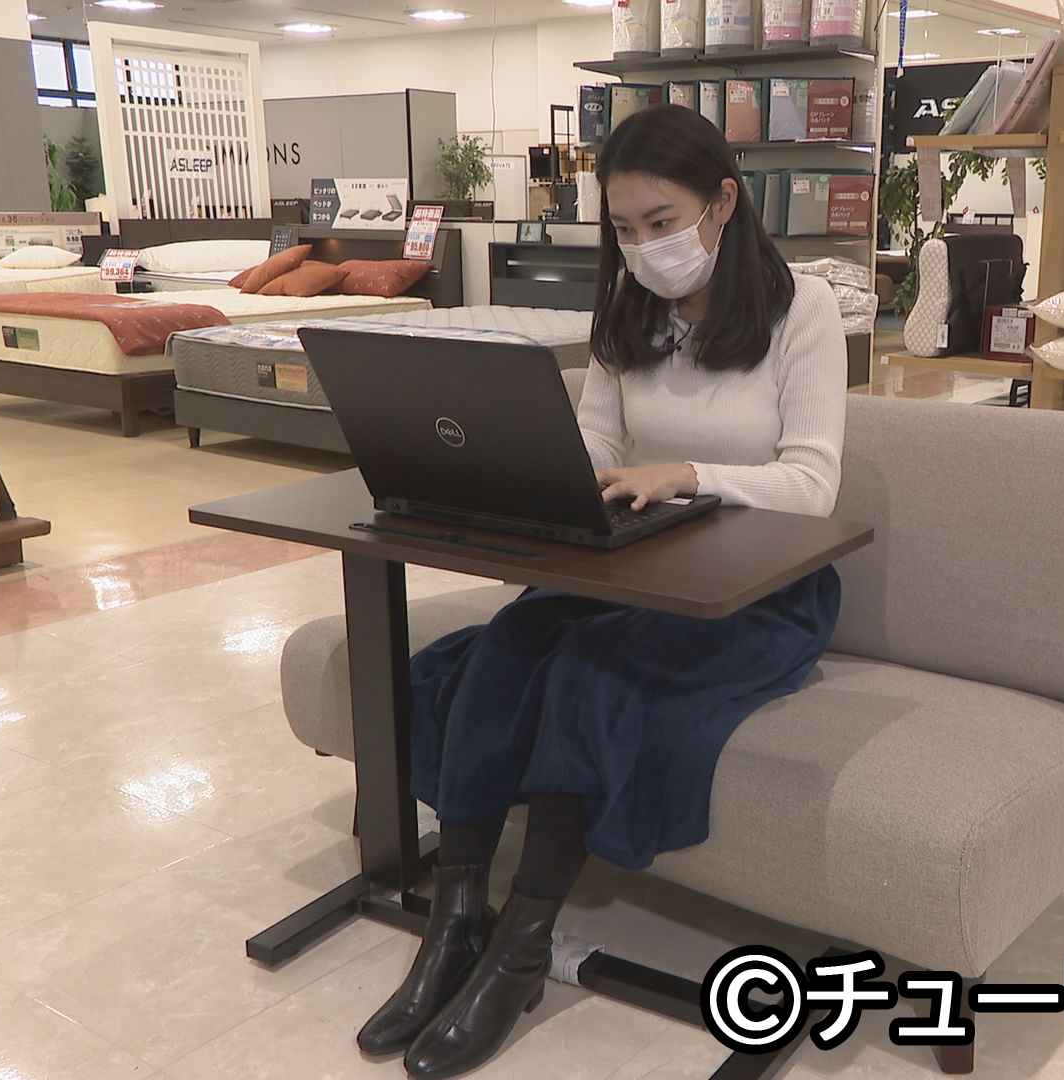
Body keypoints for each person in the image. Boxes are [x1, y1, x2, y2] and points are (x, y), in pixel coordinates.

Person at [358, 103, 849, 1078]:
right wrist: (546, 471)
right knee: (505, 649)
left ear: (724, 203)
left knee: (587, 671)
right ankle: (455, 921)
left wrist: (687, 476)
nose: (643, 248)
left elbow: (814, 485)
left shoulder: (804, 310)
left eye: (661, 223)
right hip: (633, 563)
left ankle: (521, 949)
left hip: (758, 589)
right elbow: (597, 439)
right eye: (623, 229)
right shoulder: (628, 305)